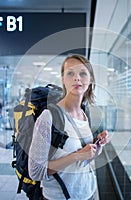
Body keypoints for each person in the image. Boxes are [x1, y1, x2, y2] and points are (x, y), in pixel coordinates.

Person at [28, 54, 110, 200]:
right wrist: (77, 155)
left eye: (83, 73)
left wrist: (96, 147)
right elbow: (36, 171)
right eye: (70, 73)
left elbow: (84, 160)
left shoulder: (85, 113)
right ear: (63, 79)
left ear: (90, 80)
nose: (77, 78)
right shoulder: (49, 117)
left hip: (88, 192)